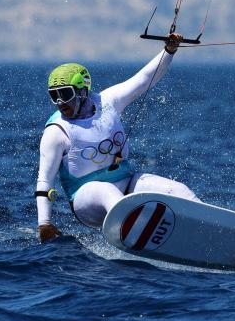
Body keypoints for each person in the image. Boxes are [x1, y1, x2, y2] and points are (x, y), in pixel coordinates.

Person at [36, 34, 200, 243]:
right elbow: (44, 181)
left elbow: (143, 80)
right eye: (54, 95)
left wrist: (169, 51)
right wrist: (44, 224)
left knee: (178, 191)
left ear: (82, 91)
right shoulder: (56, 132)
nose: (60, 102)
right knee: (107, 191)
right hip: (86, 199)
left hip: (127, 184)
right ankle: (135, 234)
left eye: (65, 94)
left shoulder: (109, 102)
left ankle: (215, 233)